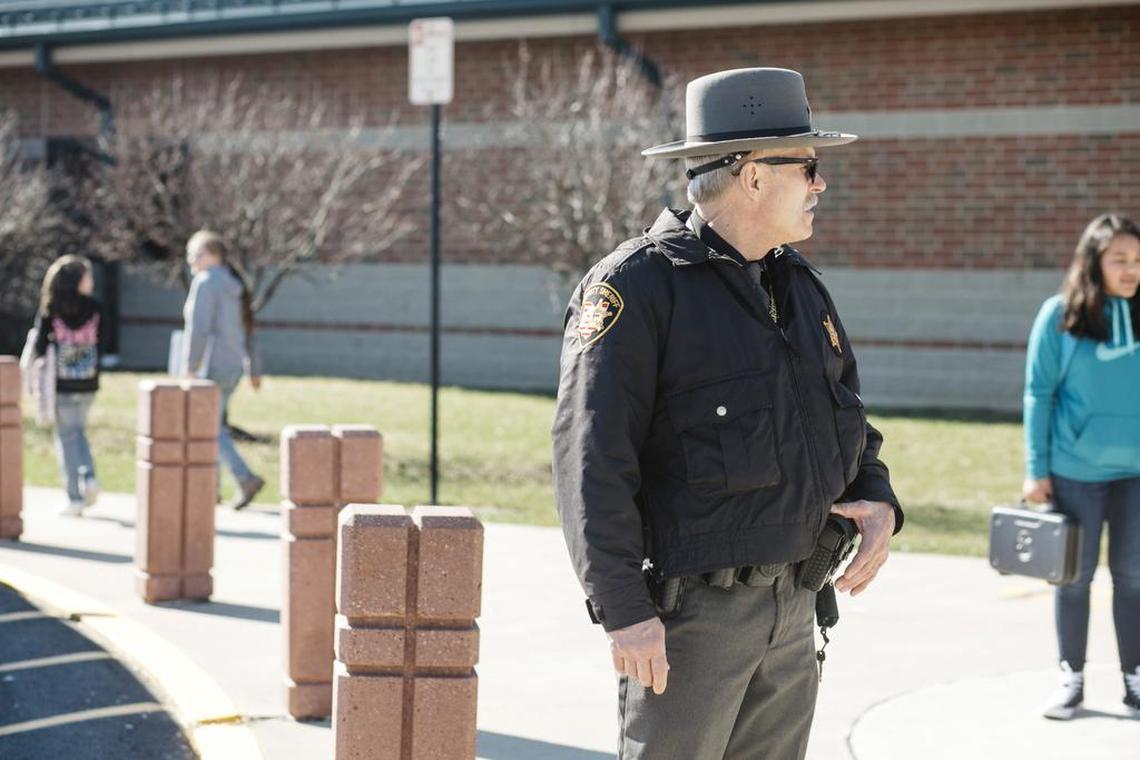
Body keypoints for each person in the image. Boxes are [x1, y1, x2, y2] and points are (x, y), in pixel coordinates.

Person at [551, 67, 903, 759]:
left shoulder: (799, 287)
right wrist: (625, 613)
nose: (819, 184)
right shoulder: (636, 288)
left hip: (795, 606)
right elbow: (590, 462)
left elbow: (848, 421)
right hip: (691, 624)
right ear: (751, 176)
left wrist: (876, 495)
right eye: (807, 166)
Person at [1023, 213, 1140, 720]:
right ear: (1094, 262)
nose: (1131, 269)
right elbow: (1038, 394)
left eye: (1137, 260)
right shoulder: (1059, 316)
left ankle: (1134, 680)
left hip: (1136, 475)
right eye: (1119, 259)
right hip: (1076, 472)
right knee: (1074, 579)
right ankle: (1071, 678)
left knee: (1134, 578)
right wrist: (1036, 468)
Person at [181, 230, 265, 510]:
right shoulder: (235, 284)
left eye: (196, 254)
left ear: (213, 255)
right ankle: (211, 490)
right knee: (213, 426)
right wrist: (254, 368)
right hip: (233, 367)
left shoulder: (206, 283)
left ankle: (245, 477)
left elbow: (199, 329)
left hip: (211, 367)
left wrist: (189, 367)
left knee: (208, 428)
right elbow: (249, 330)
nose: (191, 260)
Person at [30, 255, 103, 516]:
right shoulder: (95, 308)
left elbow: (39, 346)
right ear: (77, 280)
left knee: (66, 437)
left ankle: (75, 495)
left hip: (61, 384)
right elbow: (103, 339)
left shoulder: (52, 309)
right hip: (89, 382)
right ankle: (90, 477)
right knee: (78, 431)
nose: (91, 281)